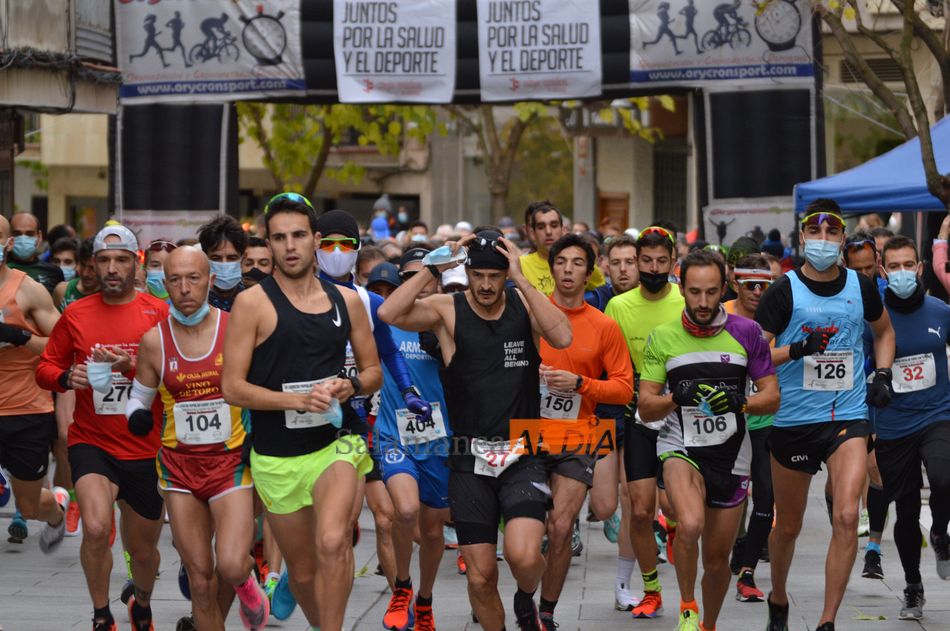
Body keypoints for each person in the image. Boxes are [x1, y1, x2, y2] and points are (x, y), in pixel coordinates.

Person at [379, 229, 573, 631]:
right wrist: (434, 265)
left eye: (495, 276)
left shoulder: (522, 304)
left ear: (505, 275)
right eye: (478, 274)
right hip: (469, 460)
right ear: (467, 272)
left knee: (523, 557)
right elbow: (389, 314)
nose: (486, 285)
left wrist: (521, 277)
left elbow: (563, 335)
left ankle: (525, 597)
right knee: (481, 576)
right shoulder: (448, 309)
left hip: (522, 455)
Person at [222, 194, 381, 631]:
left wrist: (351, 385)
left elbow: (373, 371)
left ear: (314, 240)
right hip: (276, 457)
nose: (289, 246)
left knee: (333, 540)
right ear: (268, 245)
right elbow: (231, 387)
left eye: (297, 235)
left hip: (335, 443)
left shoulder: (346, 302)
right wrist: (295, 399)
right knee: (305, 571)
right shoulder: (252, 304)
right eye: (278, 238)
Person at [753, 200, 895, 631]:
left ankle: (827, 621)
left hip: (848, 416)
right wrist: (797, 349)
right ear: (802, 238)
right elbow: (756, 357)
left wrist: (883, 374)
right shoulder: (783, 291)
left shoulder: (861, 286)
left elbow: (883, 331)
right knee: (789, 527)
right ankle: (778, 597)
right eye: (814, 234)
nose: (823, 242)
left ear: (842, 239)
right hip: (794, 420)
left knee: (848, 515)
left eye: (832, 234)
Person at [125, 246, 268, 631]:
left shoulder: (235, 328)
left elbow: (261, 384)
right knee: (201, 580)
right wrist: (137, 414)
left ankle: (245, 580)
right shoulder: (154, 341)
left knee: (233, 563)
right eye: (175, 279)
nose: (185, 288)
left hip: (231, 464)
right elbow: (139, 395)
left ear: (209, 279)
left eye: (193, 278)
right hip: (178, 469)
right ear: (164, 284)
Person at [36, 224, 169, 631]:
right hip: (91, 441)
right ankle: (100, 614)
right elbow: (45, 367)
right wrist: (65, 378)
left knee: (143, 551)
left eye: (121, 260)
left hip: (146, 447)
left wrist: (136, 368)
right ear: (93, 264)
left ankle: (142, 603)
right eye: (105, 260)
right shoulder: (76, 313)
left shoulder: (159, 313)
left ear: (135, 263)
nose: (112, 268)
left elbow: (181, 374)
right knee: (95, 527)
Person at [639, 250, 779, 631]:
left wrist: (741, 401)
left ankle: (708, 625)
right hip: (680, 447)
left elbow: (772, 396)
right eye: (695, 292)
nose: (703, 302)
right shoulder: (663, 337)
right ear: (680, 287)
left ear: (724, 290)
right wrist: (674, 398)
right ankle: (687, 607)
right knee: (690, 524)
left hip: (732, 455)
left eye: (711, 292)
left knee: (717, 561)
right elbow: (647, 407)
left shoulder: (747, 333)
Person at [314, 210, 433, 599]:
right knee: (334, 526)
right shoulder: (297, 300)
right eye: (326, 243)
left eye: (344, 245)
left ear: (356, 249)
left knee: (385, 517)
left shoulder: (367, 301)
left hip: (365, 424)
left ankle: (399, 593)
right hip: (311, 424)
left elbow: (391, 353)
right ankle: (295, 577)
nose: (335, 252)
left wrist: (409, 390)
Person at [536, 234, 634, 629]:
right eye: (561, 262)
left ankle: (546, 610)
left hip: (580, 433)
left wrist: (580, 384)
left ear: (590, 271)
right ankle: (520, 591)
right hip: (527, 430)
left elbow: (624, 389)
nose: (568, 270)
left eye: (578, 263)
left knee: (561, 526)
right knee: (529, 532)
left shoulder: (604, 326)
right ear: (552, 268)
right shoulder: (530, 316)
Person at [605, 225, 686, 619]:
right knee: (638, 510)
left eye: (661, 261)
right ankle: (650, 588)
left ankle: (689, 593)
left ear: (673, 263)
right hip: (636, 415)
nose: (653, 268)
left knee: (682, 510)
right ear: (637, 263)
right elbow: (610, 364)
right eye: (646, 261)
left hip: (682, 414)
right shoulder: (619, 307)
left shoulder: (686, 300)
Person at [871, 236, 950, 620]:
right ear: (884, 271)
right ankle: (913, 586)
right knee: (903, 511)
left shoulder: (940, 310)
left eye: (908, 265)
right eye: (894, 266)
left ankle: (939, 533)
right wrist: (868, 431)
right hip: (893, 424)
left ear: (920, 268)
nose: (902, 272)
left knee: (944, 476)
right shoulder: (874, 317)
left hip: (937, 413)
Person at [374, 246, 451, 631]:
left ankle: (424, 599)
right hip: (393, 435)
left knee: (434, 531)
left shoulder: (447, 320)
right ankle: (402, 586)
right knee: (403, 512)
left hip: (440, 440)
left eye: (427, 276)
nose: (418, 285)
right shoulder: (384, 320)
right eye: (409, 277)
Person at [0, 215, 70, 552]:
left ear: (7, 243)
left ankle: (55, 512)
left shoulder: (27, 289)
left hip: (24, 410)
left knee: (28, 506)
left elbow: (63, 346)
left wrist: (20, 336)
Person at [724, 255, 777, 603]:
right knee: (731, 498)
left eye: (764, 285)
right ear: (735, 283)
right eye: (750, 285)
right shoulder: (721, 315)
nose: (757, 292)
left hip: (768, 420)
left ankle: (748, 571)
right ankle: (734, 544)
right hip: (729, 422)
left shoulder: (778, 315)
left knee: (767, 497)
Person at [842, 231, 889, 579]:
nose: (865, 275)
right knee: (860, 476)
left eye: (870, 267)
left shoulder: (887, 294)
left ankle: (873, 545)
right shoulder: (840, 292)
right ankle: (858, 538)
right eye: (857, 268)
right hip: (848, 394)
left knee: (882, 472)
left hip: (884, 392)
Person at [520, 201, 605, 297]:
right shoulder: (520, 265)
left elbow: (603, 293)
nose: (548, 232)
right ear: (533, 233)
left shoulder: (582, 261)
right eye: (541, 227)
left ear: (563, 230)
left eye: (554, 225)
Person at [8, 212, 64, 294]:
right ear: (9, 236)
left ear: (39, 236)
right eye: (17, 234)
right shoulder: (2, 270)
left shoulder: (53, 272)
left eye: (29, 234)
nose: (23, 239)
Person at [198, 216, 247, 312]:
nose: (224, 264)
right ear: (204, 258)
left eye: (231, 258)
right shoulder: (194, 304)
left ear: (243, 259)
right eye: (216, 258)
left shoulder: (255, 302)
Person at [586, 234, 638, 311]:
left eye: (629, 262)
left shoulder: (652, 300)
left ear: (640, 266)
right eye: (615, 263)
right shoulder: (593, 304)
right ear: (608, 269)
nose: (622, 269)